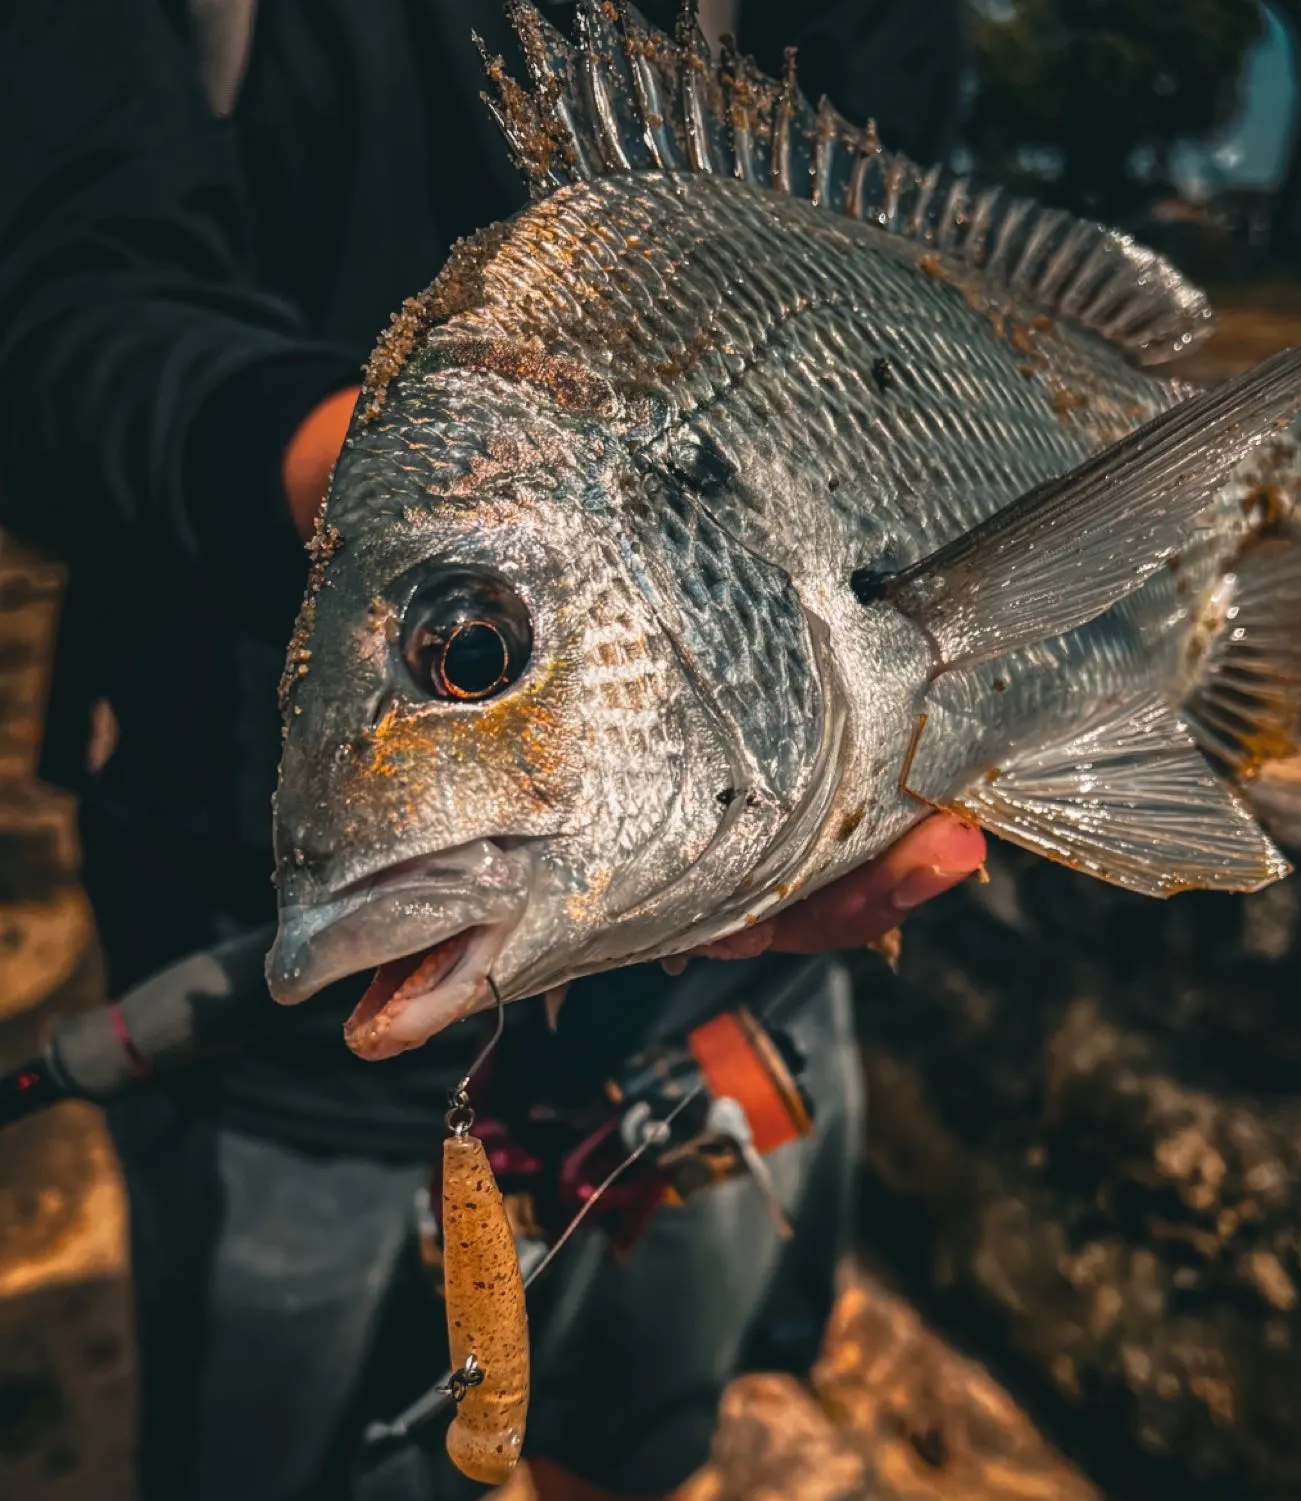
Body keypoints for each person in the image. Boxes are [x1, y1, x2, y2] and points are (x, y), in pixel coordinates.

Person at [0, 3, 975, 1499]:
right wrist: (375, 499)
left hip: (740, 942)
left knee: (647, 1425)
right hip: (265, 920)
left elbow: (907, 322)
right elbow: (62, 303)